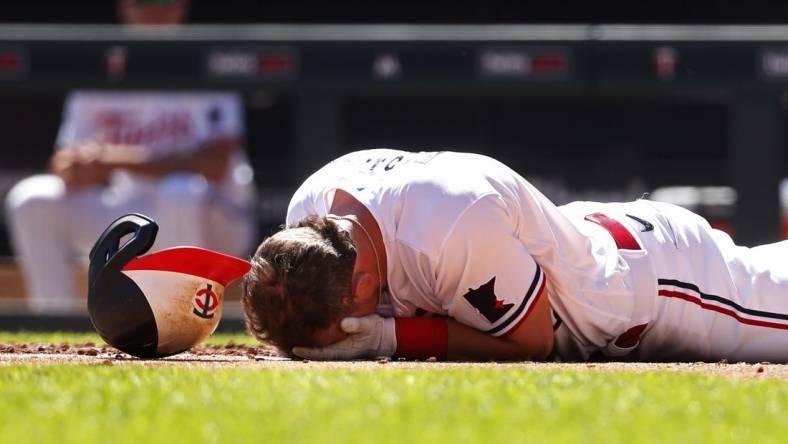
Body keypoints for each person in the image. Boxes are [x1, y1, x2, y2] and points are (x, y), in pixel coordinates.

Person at [241, 149, 788, 363]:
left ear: (361, 288)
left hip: (664, 285)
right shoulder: (309, 205)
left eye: (345, 321)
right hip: (593, 244)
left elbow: (533, 341)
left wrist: (388, 337)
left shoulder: (449, 228)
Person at [4, 0, 256, 310]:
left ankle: (184, 317)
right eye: (143, 3)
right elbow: (63, 164)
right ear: (124, 6)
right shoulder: (102, 70)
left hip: (216, 217)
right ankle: (54, 319)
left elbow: (215, 165)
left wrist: (113, 158)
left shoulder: (203, 60)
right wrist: (80, 167)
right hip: (134, 209)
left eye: (162, 4)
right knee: (32, 198)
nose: (153, 13)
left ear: (181, 6)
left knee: (180, 192)